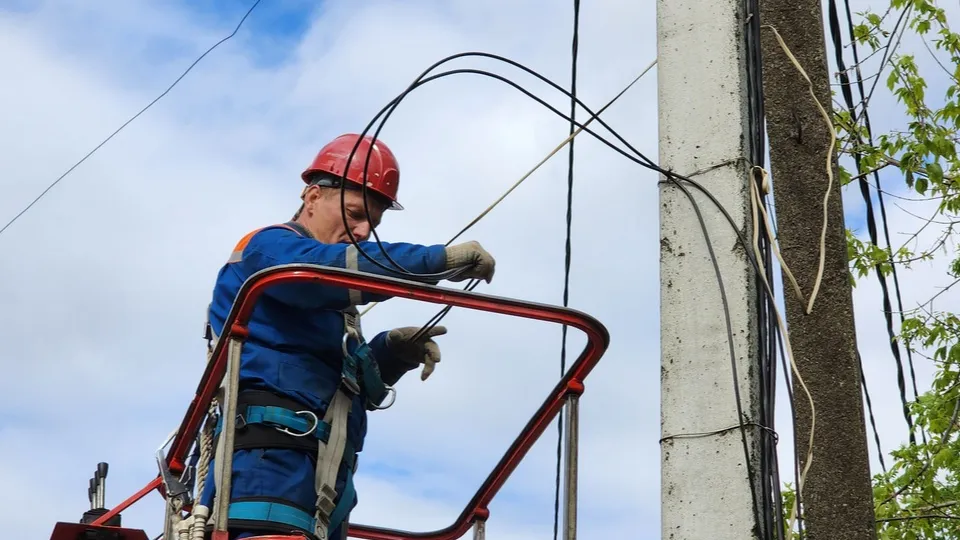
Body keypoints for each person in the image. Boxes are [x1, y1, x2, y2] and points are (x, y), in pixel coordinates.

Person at [196, 133, 496, 540]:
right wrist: (435, 261)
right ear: (312, 196)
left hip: (323, 482)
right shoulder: (268, 249)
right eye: (354, 214)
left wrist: (390, 354)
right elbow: (321, 273)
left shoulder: (331, 305)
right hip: (265, 466)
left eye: (372, 222)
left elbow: (333, 379)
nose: (363, 230)